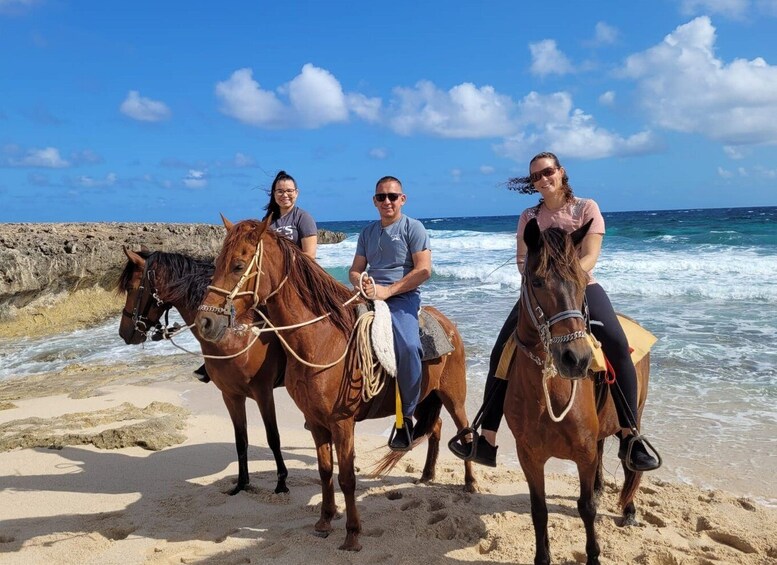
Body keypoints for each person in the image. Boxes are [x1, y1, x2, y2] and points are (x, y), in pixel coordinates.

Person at [450, 152, 660, 472]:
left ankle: (631, 436)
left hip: (581, 286)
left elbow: (590, 256)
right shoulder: (528, 217)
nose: (543, 179)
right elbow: (523, 260)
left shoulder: (586, 209)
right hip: (540, 292)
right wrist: (540, 275)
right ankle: (487, 436)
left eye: (548, 172)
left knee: (616, 343)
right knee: (502, 350)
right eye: (536, 176)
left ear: (561, 172)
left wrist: (565, 274)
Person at [193, 170, 318, 383]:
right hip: (270, 285)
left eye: (289, 191)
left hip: (297, 282)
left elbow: (310, 257)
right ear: (274, 194)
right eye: (280, 191)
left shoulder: (302, 218)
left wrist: (284, 273)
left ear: (296, 193)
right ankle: (220, 361)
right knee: (240, 312)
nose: (284, 195)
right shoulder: (267, 222)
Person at [348, 176, 431, 451]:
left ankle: (405, 418)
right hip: (369, 293)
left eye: (392, 196)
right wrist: (363, 282)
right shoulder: (367, 232)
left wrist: (388, 290)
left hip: (403, 296)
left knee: (408, 346)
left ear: (402, 199)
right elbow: (355, 269)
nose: (387, 201)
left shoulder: (413, 228)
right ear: (374, 201)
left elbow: (423, 270)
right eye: (381, 197)